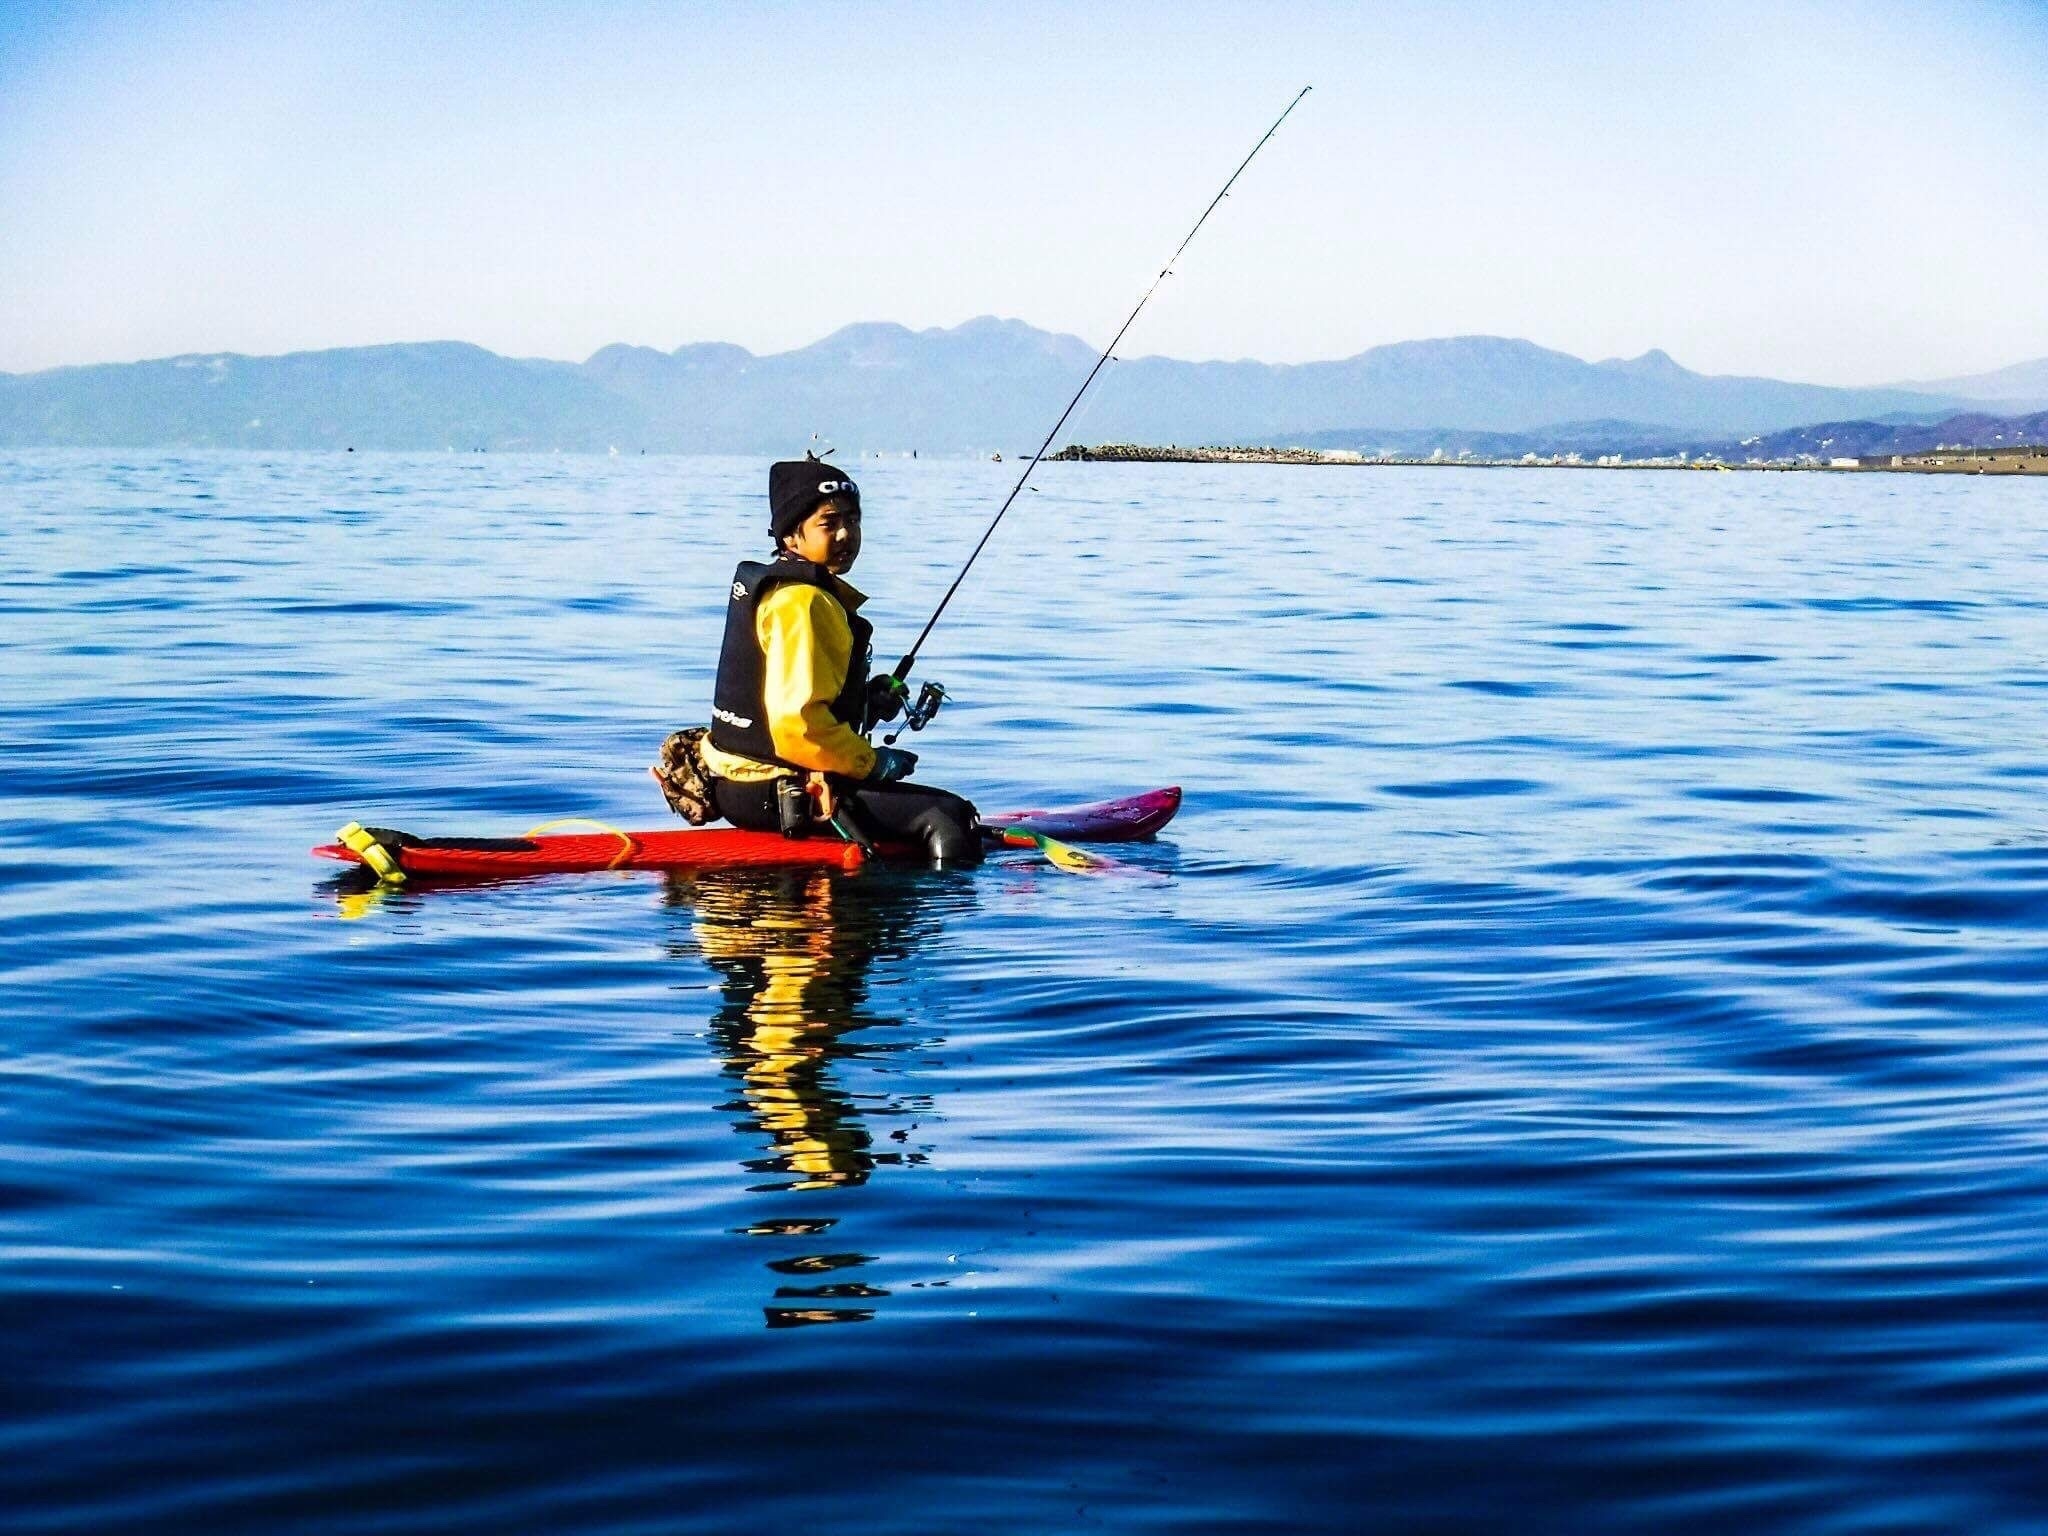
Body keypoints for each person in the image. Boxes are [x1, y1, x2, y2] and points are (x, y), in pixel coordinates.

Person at [695, 458, 983, 865]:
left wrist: (864, 700)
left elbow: (786, 699)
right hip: (772, 791)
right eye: (829, 523)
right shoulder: (805, 602)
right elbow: (796, 727)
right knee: (948, 817)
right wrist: (873, 764)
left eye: (853, 520)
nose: (846, 533)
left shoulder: (784, 589)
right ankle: (903, 911)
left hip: (740, 784)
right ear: (792, 536)